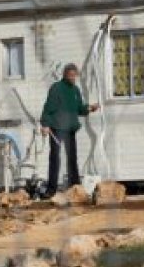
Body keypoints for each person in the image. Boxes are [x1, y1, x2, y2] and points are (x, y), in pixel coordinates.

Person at [40, 63, 99, 197]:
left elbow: (79, 109)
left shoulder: (76, 90)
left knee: (72, 158)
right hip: (56, 128)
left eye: (75, 76)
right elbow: (48, 107)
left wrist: (90, 108)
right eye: (71, 75)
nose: (73, 78)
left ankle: (75, 187)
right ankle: (51, 190)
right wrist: (45, 124)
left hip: (70, 129)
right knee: (55, 158)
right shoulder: (56, 88)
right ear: (65, 75)